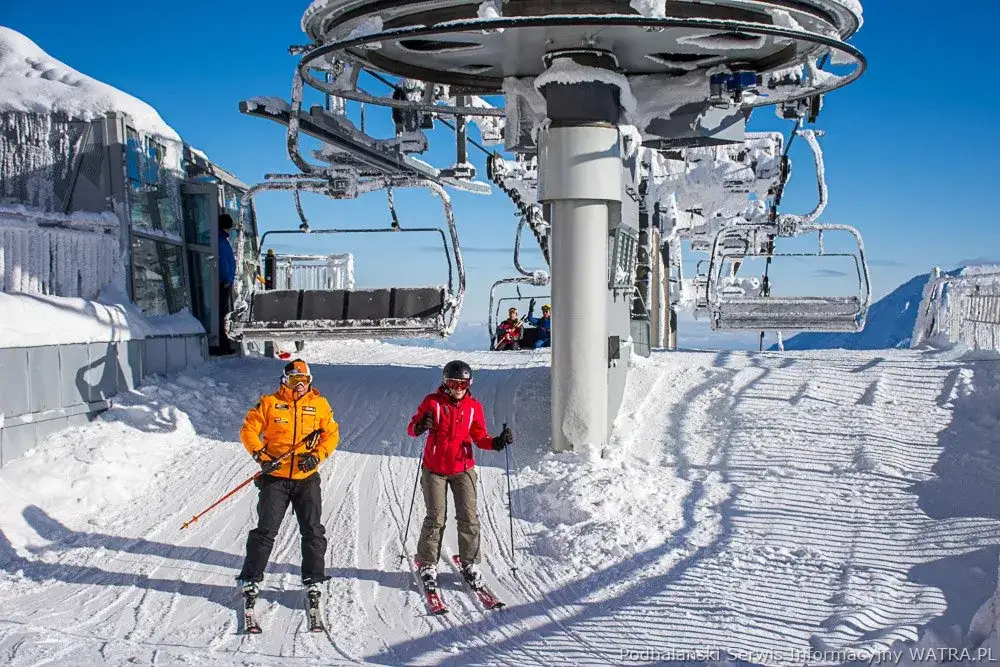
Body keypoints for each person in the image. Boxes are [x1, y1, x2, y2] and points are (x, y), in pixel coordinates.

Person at [237, 359, 340, 601]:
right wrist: (261, 457)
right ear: (285, 380)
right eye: (295, 380)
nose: (300, 385)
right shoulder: (270, 403)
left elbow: (332, 435)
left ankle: (314, 579)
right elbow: (248, 429)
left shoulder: (320, 404)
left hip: (306, 478)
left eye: (304, 381)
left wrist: (317, 456)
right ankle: (251, 578)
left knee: (313, 530)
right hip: (276, 478)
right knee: (266, 529)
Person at [407, 360, 513, 590]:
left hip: (463, 469)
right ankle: (427, 563)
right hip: (434, 469)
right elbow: (411, 429)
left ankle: (470, 562)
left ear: (469, 384)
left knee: (469, 517)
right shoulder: (432, 402)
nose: (458, 388)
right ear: (445, 383)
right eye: (453, 383)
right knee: (436, 518)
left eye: (463, 384)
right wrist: (420, 425)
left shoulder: (473, 407)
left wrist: (497, 442)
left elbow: (480, 438)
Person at [217, 213, 237, 355]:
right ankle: (223, 345)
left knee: (223, 314)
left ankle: (224, 344)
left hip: (224, 281)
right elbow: (224, 263)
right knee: (222, 315)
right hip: (223, 283)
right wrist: (227, 279)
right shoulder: (221, 242)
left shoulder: (222, 240)